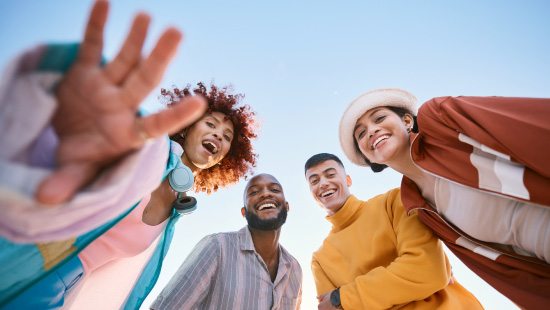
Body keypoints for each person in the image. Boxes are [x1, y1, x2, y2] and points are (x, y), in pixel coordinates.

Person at [0, 1, 258, 309]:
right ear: (188, 128)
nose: (218, 134)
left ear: (224, 159)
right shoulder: (149, 151)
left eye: (227, 136)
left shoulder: (177, 212)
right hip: (24, 259)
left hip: (58, 296)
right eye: (211, 124)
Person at [338, 88, 550, 309]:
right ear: (367, 155)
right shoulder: (419, 210)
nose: (371, 131)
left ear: (408, 120)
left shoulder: (440, 118)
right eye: (361, 134)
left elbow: (527, 122)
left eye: (379, 118)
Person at [304, 153, 483, 310]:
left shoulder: (393, 201)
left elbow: (428, 270)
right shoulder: (319, 260)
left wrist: (342, 296)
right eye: (314, 181)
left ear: (348, 179)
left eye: (330, 175)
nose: (323, 183)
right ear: (311, 192)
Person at [151, 173, 303, 310]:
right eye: (254, 192)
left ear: (287, 207)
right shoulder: (217, 247)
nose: (265, 194)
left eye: (275, 190)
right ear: (244, 213)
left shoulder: (294, 269)